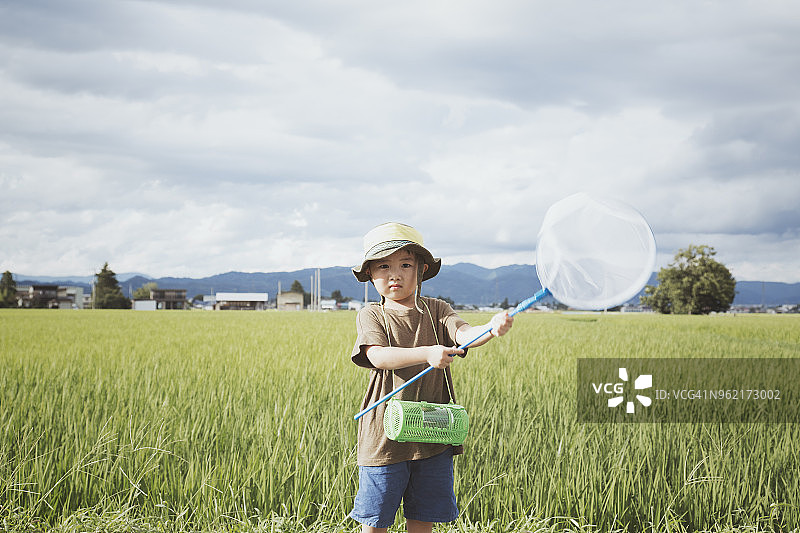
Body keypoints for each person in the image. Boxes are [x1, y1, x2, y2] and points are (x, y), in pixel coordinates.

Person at [349, 222, 514, 533]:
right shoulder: (372, 314)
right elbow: (378, 356)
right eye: (384, 266)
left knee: (424, 517)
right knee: (375, 520)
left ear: (421, 270)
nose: (394, 274)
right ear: (370, 274)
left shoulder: (437, 310)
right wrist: (427, 352)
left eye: (405, 264)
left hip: (432, 430)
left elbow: (465, 333)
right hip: (384, 434)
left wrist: (490, 328)